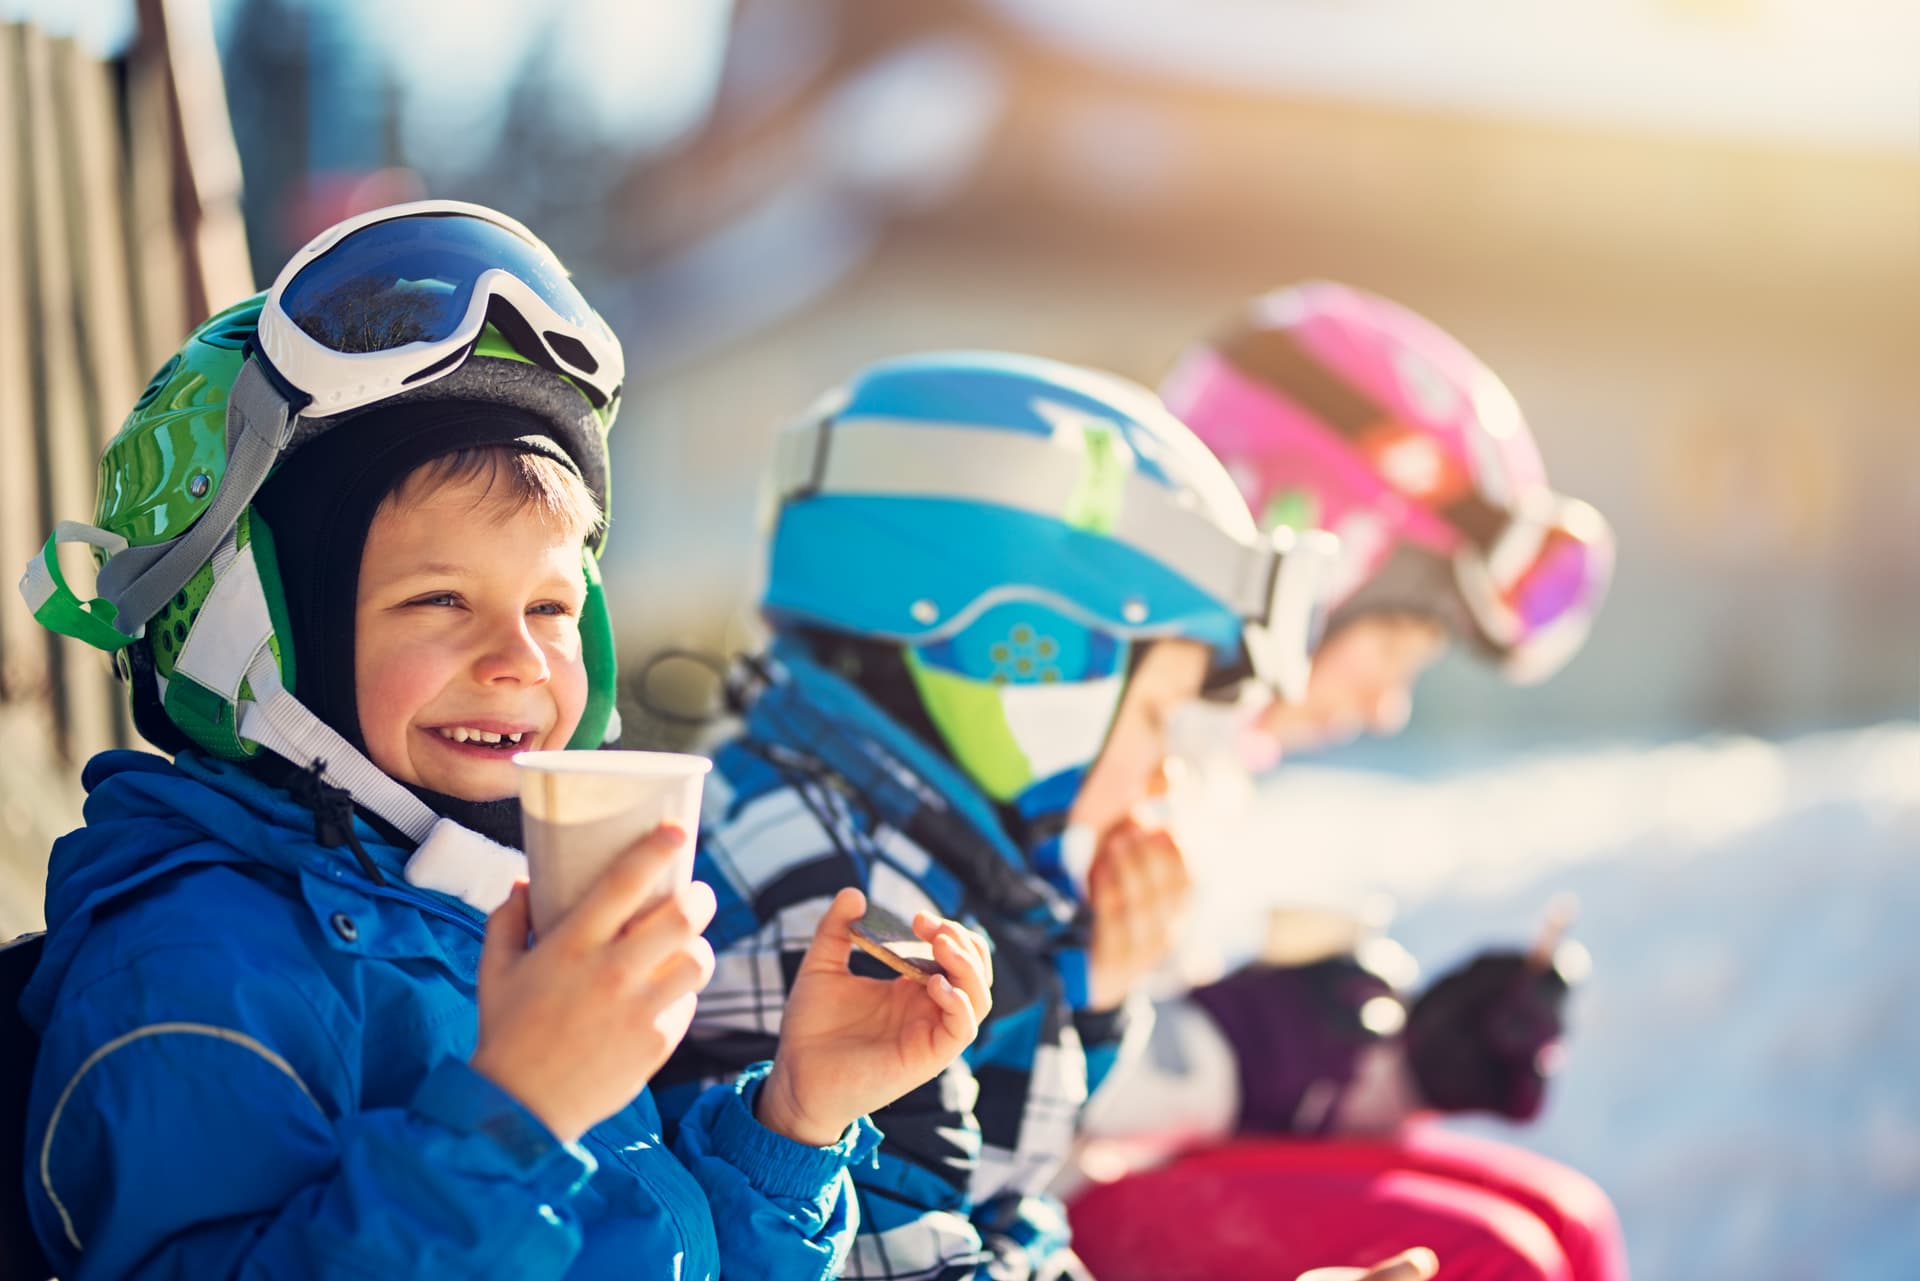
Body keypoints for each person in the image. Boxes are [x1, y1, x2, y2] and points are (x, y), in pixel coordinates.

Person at [12, 201, 992, 1281]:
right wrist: (514, 1116)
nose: (518, 659)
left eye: (555, 608)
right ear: (257, 628)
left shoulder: (479, 906)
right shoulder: (198, 974)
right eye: (438, 598)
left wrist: (798, 1120)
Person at [652, 350, 1340, 1278]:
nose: (1162, 765)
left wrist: (1086, 1002)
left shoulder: (873, 841)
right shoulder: (844, 910)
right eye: (1150, 714)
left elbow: (980, 1189)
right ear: (1029, 664)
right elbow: (920, 1252)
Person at [1066, 281, 1627, 1281]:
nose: (1387, 709)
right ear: (1316, 556)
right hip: (1017, 1214)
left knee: (1566, 1223)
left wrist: (1402, 1061)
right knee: (1492, 1260)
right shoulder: (1093, 741)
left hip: (1096, 1184)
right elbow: (1019, 1073)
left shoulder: (1199, 762)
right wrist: (1249, 1049)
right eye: (1399, 649)